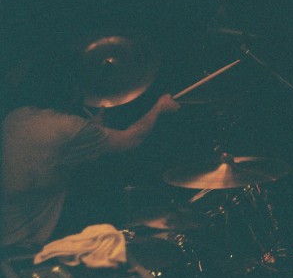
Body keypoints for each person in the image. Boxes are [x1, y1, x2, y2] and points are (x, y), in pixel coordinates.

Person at [0, 50, 180, 255]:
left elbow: (51, 153)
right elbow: (131, 139)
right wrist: (159, 107)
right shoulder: (69, 128)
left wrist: (91, 130)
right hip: (25, 246)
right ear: (71, 88)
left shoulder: (17, 117)